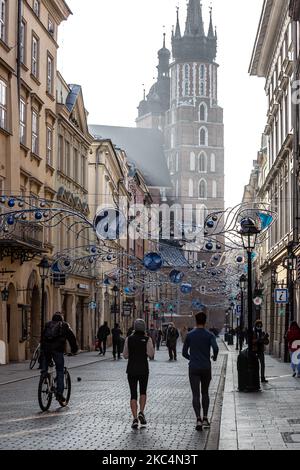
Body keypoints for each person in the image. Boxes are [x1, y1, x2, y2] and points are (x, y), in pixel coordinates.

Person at [182, 312, 219, 432]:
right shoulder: (210, 335)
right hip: (206, 367)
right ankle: (205, 418)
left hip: (193, 367)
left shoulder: (190, 335)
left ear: (195, 321)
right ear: (205, 321)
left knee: (196, 394)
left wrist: (191, 358)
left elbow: (184, 352)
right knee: (205, 393)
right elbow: (216, 348)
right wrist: (214, 357)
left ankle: (198, 418)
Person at [41, 313, 78, 406]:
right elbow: (72, 338)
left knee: (45, 367)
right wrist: (74, 350)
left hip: (46, 350)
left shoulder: (47, 324)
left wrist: (43, 349)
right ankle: (59, 394)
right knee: (60, 370)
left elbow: (42, 337)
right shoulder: (65, 325)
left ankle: (44, 376)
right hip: (58, 350)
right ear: (62, 319)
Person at [123, 319, 155, 429]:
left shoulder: (129, 339)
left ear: (135, 327)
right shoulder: (147, 339)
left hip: (131, 369)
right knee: (143, 391)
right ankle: (141, 411)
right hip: (143, 369)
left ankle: (135, 418)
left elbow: (125, 355)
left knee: (133, 393)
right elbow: (151, 354)